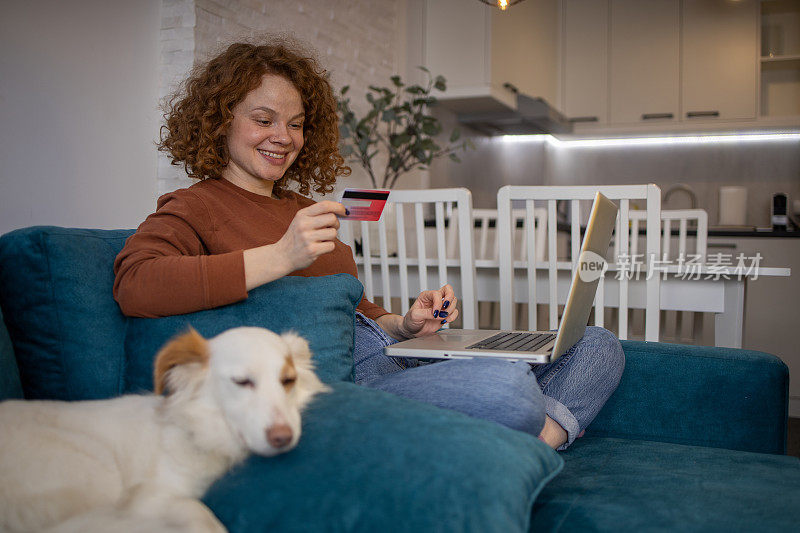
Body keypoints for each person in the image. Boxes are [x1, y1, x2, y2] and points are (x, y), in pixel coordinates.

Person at [114, 39, 624, 450]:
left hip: (401, 357)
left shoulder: (301, 208)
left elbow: (354, 308)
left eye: (295, 124)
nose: (283, 137)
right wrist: (279, 257)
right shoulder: (195, 206)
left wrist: (405, 322)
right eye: (263, 119)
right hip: (352, 385)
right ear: (221, 120)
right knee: (508, 390)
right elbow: (136, 283)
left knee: (600, 345)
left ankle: (544, 440)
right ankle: (527, 425)